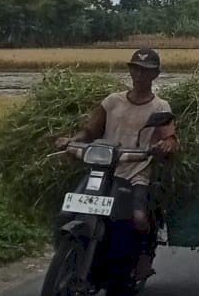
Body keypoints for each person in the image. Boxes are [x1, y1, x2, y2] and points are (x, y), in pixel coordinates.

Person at [58, 48, 178, 246]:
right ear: (130, 71)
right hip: (102, 168)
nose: (140, 75)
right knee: (67, 211)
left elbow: (170, 138)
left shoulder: (160, 107)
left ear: (155, 74)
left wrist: (164, 145)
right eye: (136, 70)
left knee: (138, 218)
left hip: (136, 172)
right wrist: (71, 140)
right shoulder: (113, 101)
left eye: (146, 71)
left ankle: (144, 255)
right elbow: (89, 131)